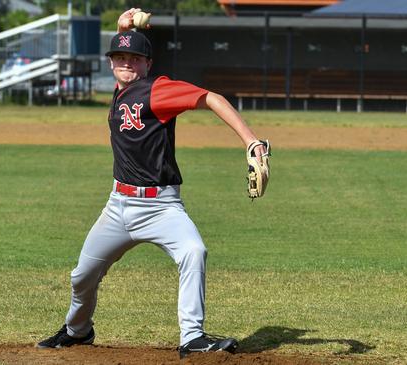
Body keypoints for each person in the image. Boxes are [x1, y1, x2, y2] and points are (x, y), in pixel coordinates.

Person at [37, 8, 267, 359]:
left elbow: (211, 98)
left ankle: (192, 336)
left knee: (194, 252)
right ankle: (78, 330)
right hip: (117, 207)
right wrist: (123, 29)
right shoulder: (120, 89)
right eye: (119, 56)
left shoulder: (158, 90)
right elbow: (123, 61)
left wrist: (251, 140)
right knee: (82, 276)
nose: (126, 62)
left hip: (161, 207)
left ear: (148, 63)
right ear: (112, 61)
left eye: (134, 58)